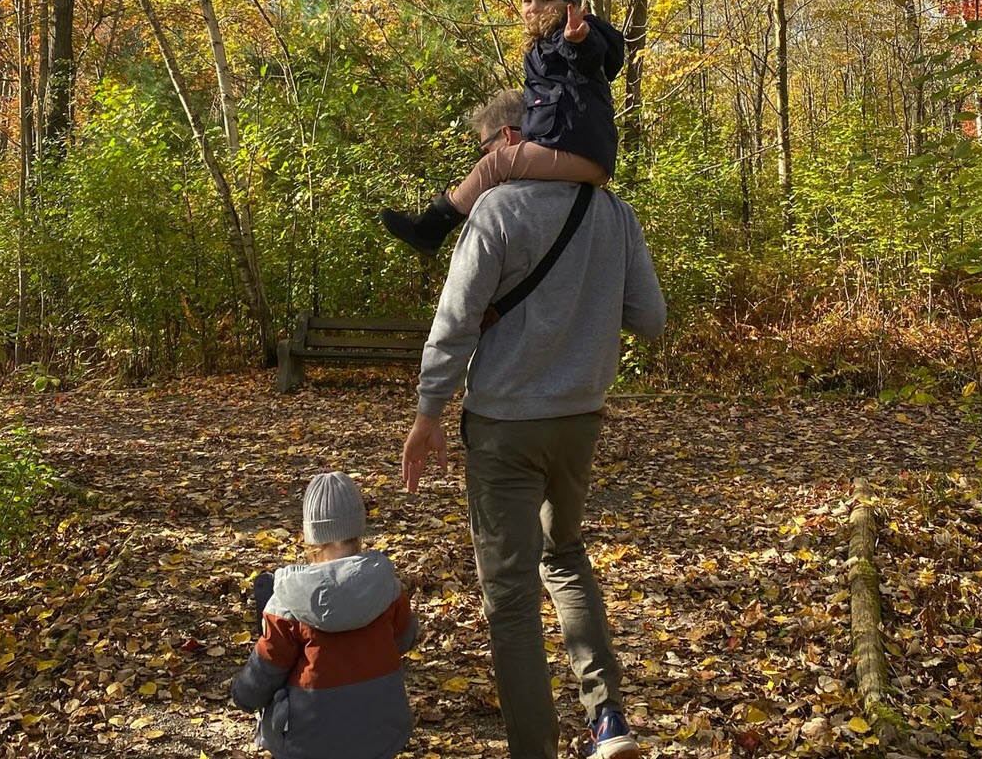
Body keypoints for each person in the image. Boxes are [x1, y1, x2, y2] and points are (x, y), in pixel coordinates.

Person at [400, 91, 667, 759]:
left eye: (487, 147)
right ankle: (608, 721)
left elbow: (455, 319)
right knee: (566, 556)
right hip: (579, 419)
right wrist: (583, 304)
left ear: (512, 136)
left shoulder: (497, 209)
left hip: (504, 426)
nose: (484, 162)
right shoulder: (613, 210)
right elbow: (650, 317)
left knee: (512, 599)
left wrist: (428, 412)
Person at [380, 0, 626, 256]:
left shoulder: (574, 34)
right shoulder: (538, 48)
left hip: (581, 150)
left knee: (495, 164)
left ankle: (432, 227)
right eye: (527, 0)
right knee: (508, 171)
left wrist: (579, 41)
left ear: (569, 4)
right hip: (568, 147)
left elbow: (592, 60)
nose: (535, 7)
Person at [230, 471, 418, 759]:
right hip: (382, 733)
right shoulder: (386, 588)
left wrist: (243, 695)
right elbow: (405, 639)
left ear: (312, 538)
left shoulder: (288, 601)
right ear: (358, 529)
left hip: (308, 742)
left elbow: (266, 669)